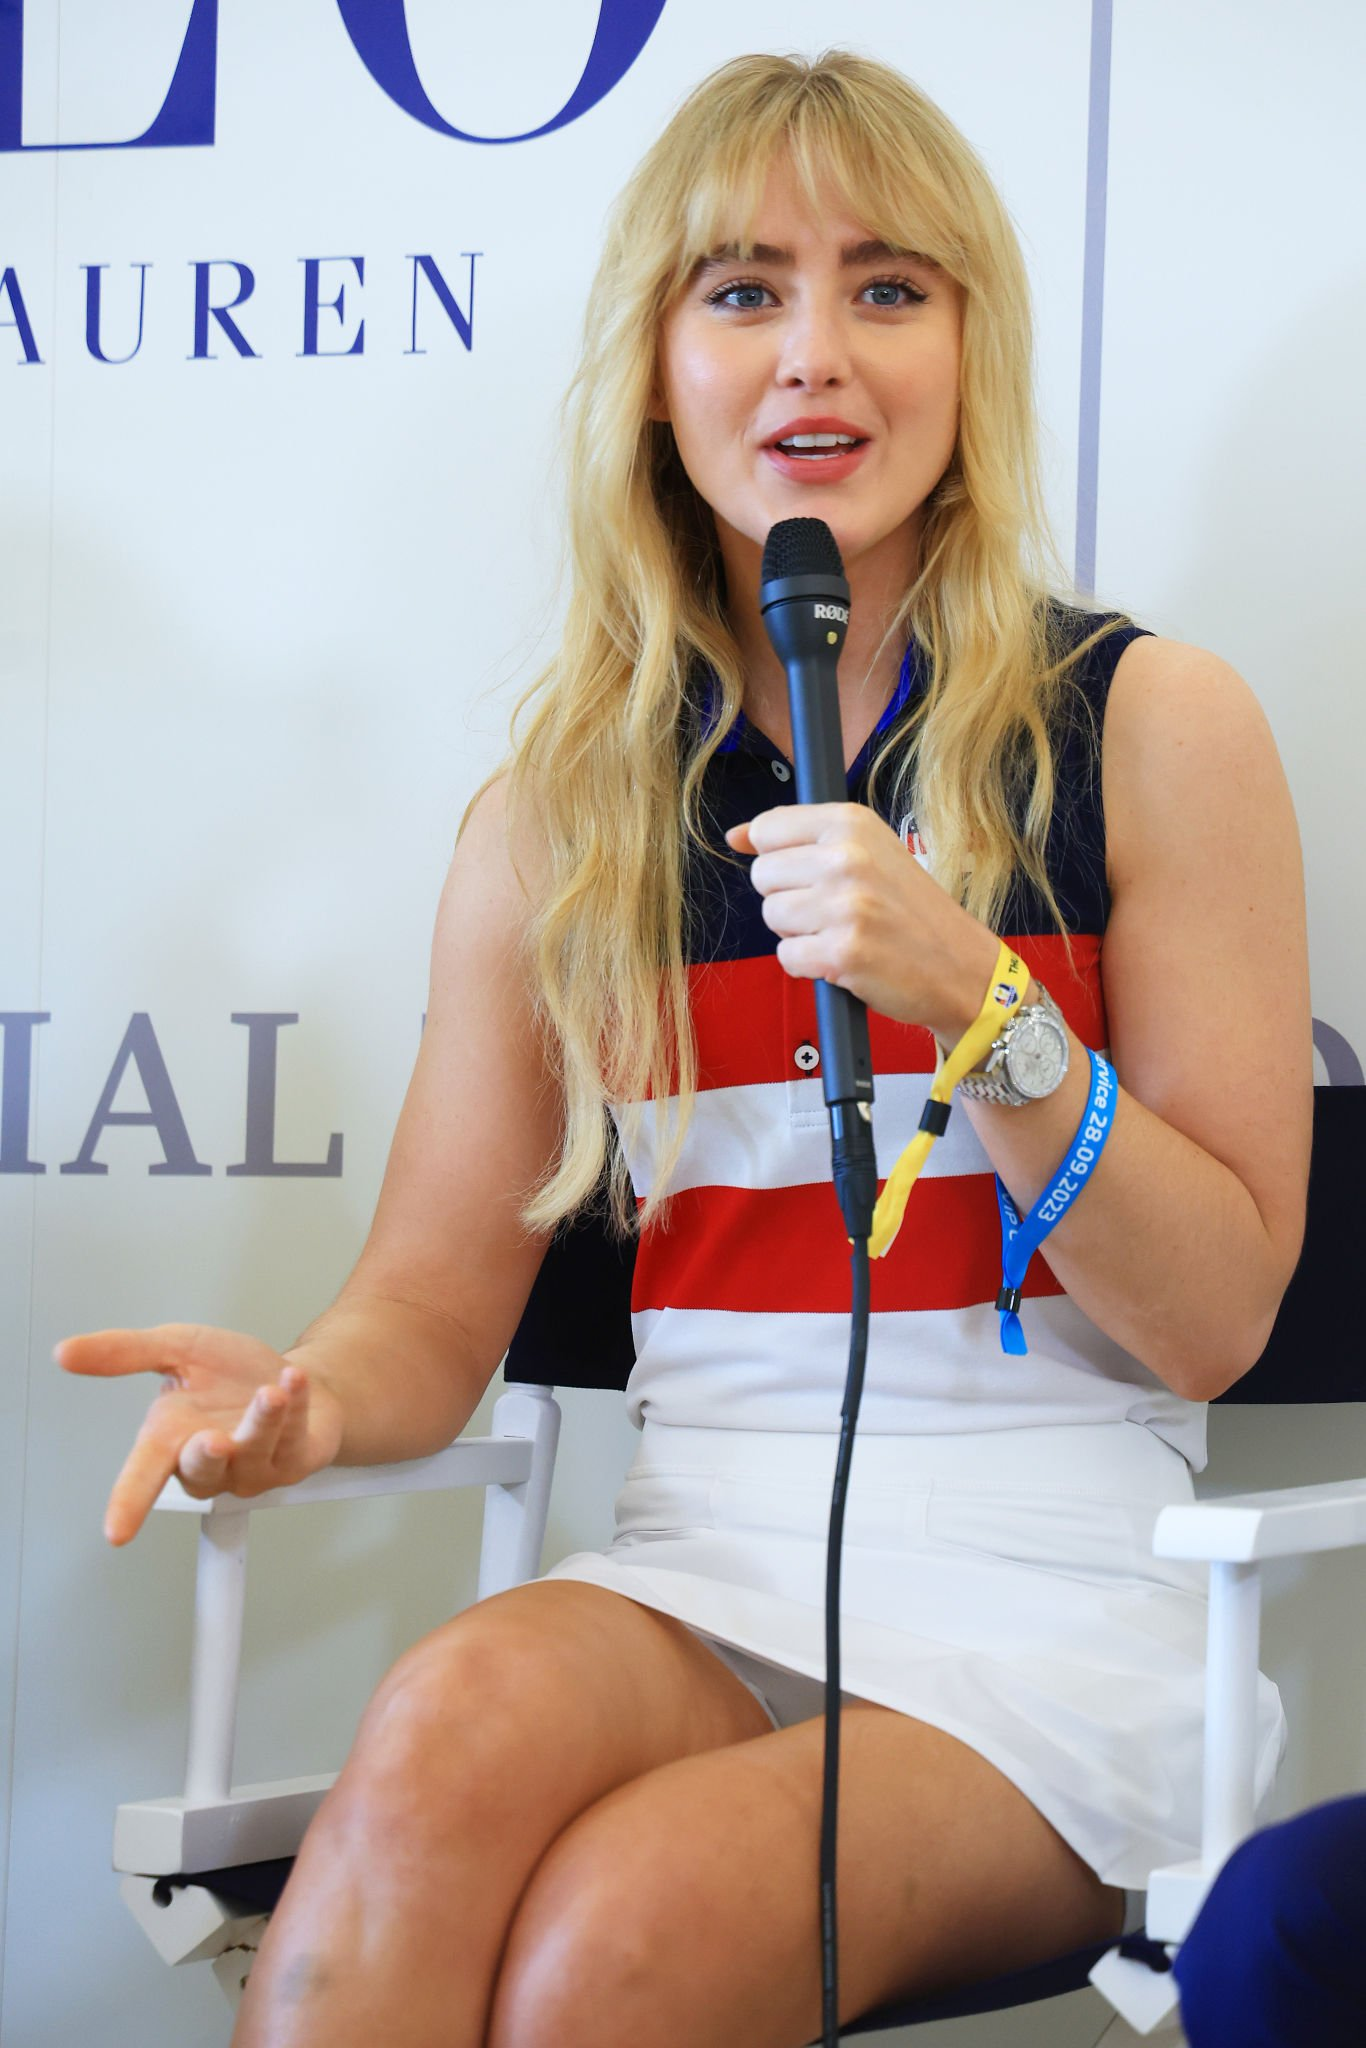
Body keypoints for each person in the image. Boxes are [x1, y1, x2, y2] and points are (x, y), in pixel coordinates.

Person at [59, 50, 1312, 2048]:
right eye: (742, 291)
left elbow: (1216, 1319)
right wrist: (304, 1402)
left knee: (617, 1938)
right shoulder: (554, 819)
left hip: (1060, 1616)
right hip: (703, 1565)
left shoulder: (1153, 727)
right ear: (655, 368)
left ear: (968, 349)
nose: (814, 352)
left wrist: (974, 1001)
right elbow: (427, 1309)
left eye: (886, 288)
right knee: (437, 1726)